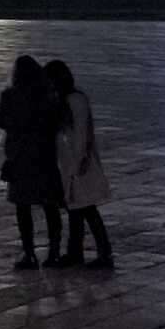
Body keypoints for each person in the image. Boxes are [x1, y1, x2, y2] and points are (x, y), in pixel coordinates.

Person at [0, 54, 66, 268]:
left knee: (23, 206)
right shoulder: (47, 95)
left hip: (20, 156)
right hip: (44, 155)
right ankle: (54, 251)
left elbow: (1, 122)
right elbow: (56, 121)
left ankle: (29, 252)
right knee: (49, 205)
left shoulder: (9, 95)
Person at [45, 60, 115, 268]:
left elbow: (81, 135)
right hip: (69, 164)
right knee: (75, 208)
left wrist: (77, 163)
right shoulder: (64, 99)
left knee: (86, 208)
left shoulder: (75, 101)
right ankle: (75, 251)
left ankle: (104, 252)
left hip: (79, 165)